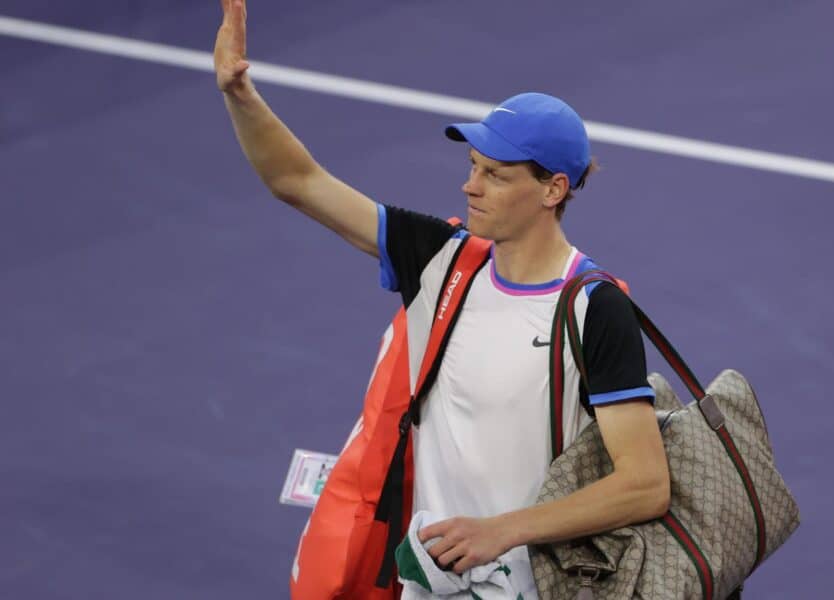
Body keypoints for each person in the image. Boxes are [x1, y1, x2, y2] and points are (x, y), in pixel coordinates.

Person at [214, 0, 670, 596]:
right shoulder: (438, 258)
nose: (469, 186)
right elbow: (296, 181)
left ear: (553, 189)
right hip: (431, 582)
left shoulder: (593, 307)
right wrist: (240, 95)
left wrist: (501, 531)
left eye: (496, 176)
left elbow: (644, 483)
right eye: (472, 165)